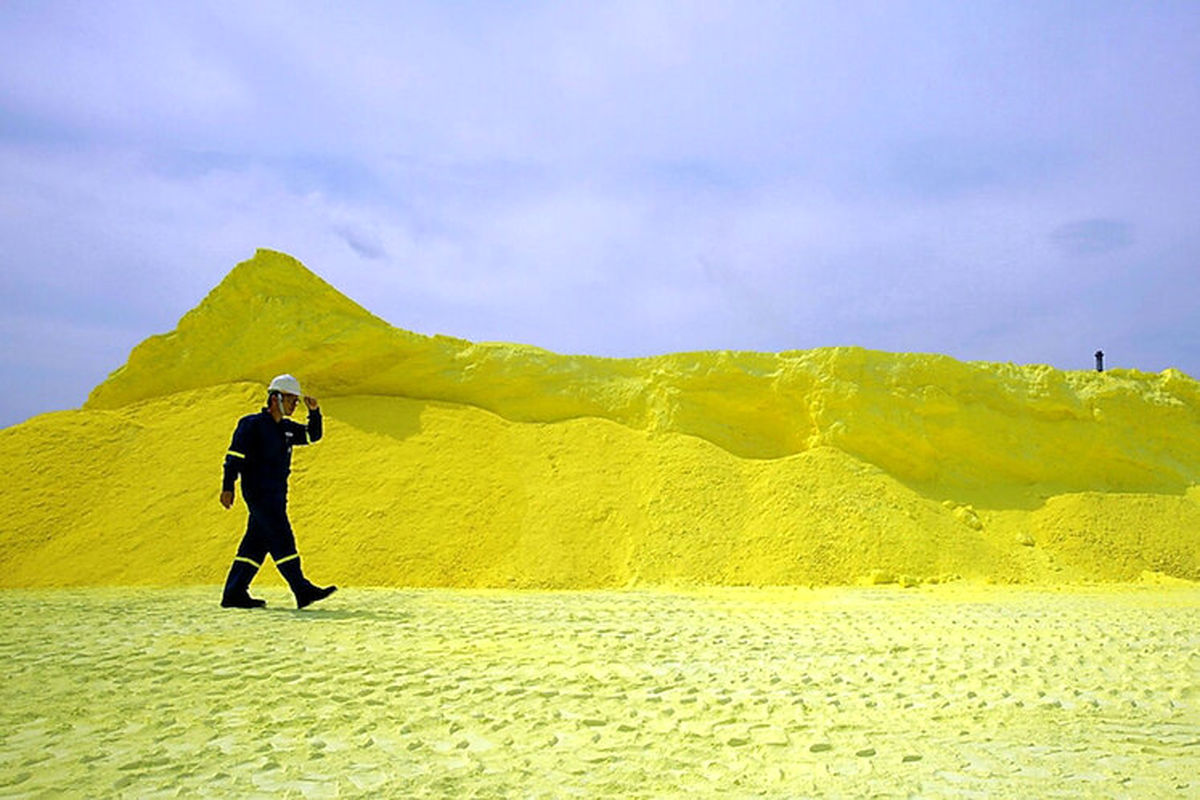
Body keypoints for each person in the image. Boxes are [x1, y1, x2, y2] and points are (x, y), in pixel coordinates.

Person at [219, 374, 337, 609]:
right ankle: (301, 589)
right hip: (258, 493)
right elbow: (234, 457)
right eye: (291, 399)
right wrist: (227, 486)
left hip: (277, 494)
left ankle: (234, 593)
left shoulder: (286, 429)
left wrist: (314, 412)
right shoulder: (251, 424)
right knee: (282, 536)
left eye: (296, 400)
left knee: (256, 544)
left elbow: (313, 435)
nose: (295, 404)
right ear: (275, 398)